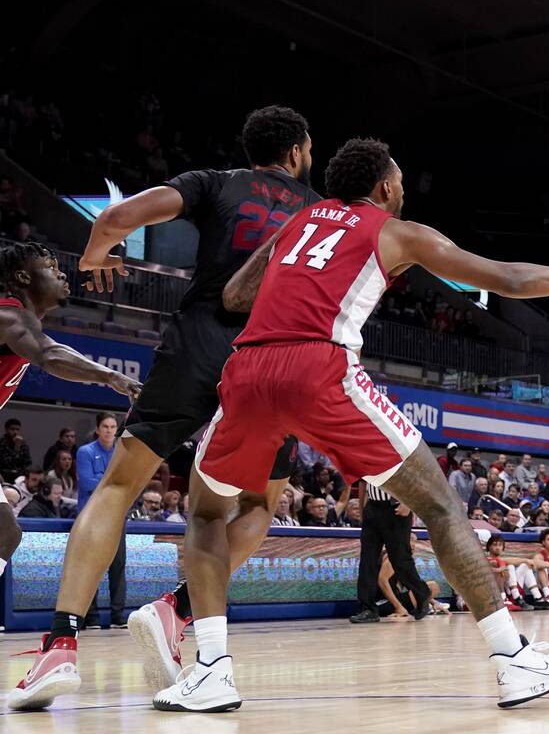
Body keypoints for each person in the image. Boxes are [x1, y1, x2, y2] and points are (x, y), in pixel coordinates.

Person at [144, 137, 549, 712]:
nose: (400, 187)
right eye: (397, 179)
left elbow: (236, 294)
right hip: (319, 368)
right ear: (384, 188)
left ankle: (212, 671)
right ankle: (514, 662)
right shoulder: (395, 230)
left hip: (248, 370)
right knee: (441, 506)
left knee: (205, 512)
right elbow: (507, 279)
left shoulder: (299, 221)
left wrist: (286, 255)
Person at [10, 106, 321, 711]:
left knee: (119, 487)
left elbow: (120, 216)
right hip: (269, 357)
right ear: (297, 153)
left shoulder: (216, 182)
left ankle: (60, 647)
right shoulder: (318, 210)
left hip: (196, 341)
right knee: (261, 504)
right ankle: (174, 607)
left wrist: (97, 254)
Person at [351, 482, 429, 623]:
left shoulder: (401, 458)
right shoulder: (366, 459)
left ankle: (421, 592)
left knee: (400, 559)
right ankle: (368, 609)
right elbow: (363, 482)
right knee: (367, 560)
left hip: (396, 506)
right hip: (372, 507)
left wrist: (409, 504)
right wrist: (363, 510)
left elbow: (416, 477)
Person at [76, 413, 127, 629]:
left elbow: (127, 481)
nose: (109, 430)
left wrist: (110, 483)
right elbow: (88, 483)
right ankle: (92, 617)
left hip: (116, 515)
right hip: (92, 516)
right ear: (97, 429)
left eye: (113, 426)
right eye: (105, 426)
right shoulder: (85, 452)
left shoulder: (122, 453)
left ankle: (117, 617)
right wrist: (114, 483)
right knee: (92, 567)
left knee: (118, 566)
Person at [0, 417, 32, 484]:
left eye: (17, 429)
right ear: (6, 430)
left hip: (20, 475)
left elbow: (28, 463)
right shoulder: (1, 444)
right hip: (4, 474)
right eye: (12, 429)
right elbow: (8, 464)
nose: (15, 432)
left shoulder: (23, 445)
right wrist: (17, 448)